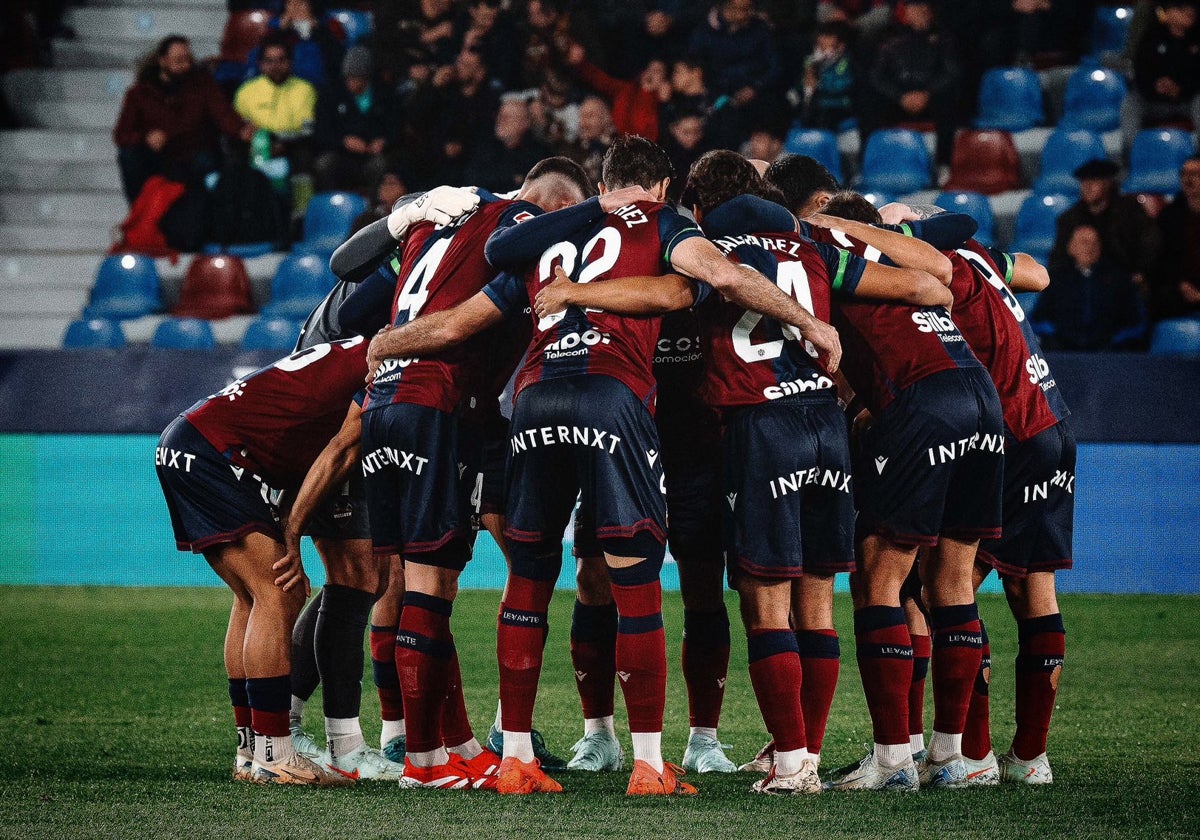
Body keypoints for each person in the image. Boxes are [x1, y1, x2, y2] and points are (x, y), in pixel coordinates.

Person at [364, 135, 841, 796]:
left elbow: (457, 322)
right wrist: (809, 322)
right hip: (612, 400)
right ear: (664, 188)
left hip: (535, 400)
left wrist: (390, 340)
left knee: (528, 577)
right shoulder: (664, 223)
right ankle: (649, 764)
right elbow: (714, 281)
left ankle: (515, 759)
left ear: (602, 182)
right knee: (634, 576)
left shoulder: (546, 245)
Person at [533, 150, 951, 795]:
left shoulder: (689, 247)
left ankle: (724, 748)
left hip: (723, 435)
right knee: (811, 600)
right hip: (801, 426)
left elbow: (682, 292)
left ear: (694, 208)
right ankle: (800, 754)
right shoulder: (804, 246)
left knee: (722, 596)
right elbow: (931, 286)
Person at [766, 156, 1005, 792]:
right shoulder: (899, 253)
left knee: (881, 573)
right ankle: (951, 756)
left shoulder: (811, 247)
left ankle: (892, 757)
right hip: (979, 394)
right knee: (952, 579)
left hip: (922, 402)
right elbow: (946, 274)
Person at [358, 160, 594, 792]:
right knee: (434, 587)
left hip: (385, 405)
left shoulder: (432, 225)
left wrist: (404, 214)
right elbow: (466, 321)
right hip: (437, 402)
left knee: (411, 583)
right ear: (547, 205)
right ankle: (424, 760)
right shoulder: (520, 224)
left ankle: (446, 745)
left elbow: (352, 287)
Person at [154, 337, 371, 788]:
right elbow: (339, 451)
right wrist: (292, 531)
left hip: (191, 440)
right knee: (279, 591)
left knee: (252, 596)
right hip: (215, 451)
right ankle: (276, 753)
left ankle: (252, 750)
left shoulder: (360, 347)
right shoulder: (389, 364)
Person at [112, 35, 252, 203]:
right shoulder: (140, 94)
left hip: (193, 152)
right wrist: (145, 137)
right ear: (163, 61)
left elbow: (223, 115)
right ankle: (140, 214)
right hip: (159, 156)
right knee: (129, 156)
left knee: (207, 162)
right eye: (178, 61)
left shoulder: (202, 85)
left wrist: (240, 129)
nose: (185, 65)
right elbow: (121, 134)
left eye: (188, 59)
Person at [863, 0, 960, 171]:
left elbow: (951, 71)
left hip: (930, 97)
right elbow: (877, 75)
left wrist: (927, 93)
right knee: (868, 102)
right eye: (915, 8)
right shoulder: (888, 39)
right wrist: (899, 96)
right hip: (899, 98)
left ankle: (943, 164)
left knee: (948, 101)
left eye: (924, 8)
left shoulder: (944, 38)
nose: (921, 12)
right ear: (905, 12)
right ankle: (868, 163)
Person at [1050, 159, 1162, 289]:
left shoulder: (1130, 211)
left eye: (1093, 181)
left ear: (1107, 183)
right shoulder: (1069, 219)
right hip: (1086, 285)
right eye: (1083, 182)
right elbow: (1059, 259)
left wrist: (1141, 272)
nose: (1087, 187)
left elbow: (1151, 243)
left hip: (1127, 282)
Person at [1037, 224, 1147, 350]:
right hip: (1063, 352)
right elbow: (1039, 319)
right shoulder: (1056, 278)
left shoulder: (1118, 279)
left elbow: (1136, 322)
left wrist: (1114, 341)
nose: (1090, 247)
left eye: (1095, 243)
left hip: (1110, 354)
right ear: (1071, 247)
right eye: (1084, 242)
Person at [312, 46, 404, 193]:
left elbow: (397, 127)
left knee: (381, 166)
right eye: (350, 78)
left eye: (358, 78)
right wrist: (343, 141)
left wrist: (384, 141)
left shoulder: (384, 94)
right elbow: (321, 131)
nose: (354, 83)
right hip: (341, 154)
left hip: (373, 155)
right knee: (324, 164)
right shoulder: (331, 95)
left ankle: (377, 209)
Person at [1124, 0, 1200, 152]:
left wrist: (1181, 89)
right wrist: (1155, 86)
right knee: (1130, 102)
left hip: (1186, 99)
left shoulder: (1196, 39)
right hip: (1153, 101)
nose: (1188, 12)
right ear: (1168, 12)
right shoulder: (1152, 36)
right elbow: (1141, 71)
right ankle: (1133, 154)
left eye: (1190, 9)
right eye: (1180, 8)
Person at [234, 34, 318, 171]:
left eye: (281, 60)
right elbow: (240, 126)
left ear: (290, 62)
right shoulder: (246, 91)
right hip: (255, 146)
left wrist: (278, 140)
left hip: (293, 147)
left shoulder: (305, 89)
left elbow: (307, 130)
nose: (276, 66)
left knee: (304, 153)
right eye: (269, 61)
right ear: (260, 64)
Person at [462, 98, 554, 194]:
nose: (500, 120)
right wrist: (512, 178)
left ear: (524, 123)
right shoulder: (483, 147)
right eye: (499, 115)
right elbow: (472, 181)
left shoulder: (539, 153)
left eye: (507, 117)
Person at [1150, 155, 1200, 320]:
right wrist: (1180, 284)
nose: (1188, 179)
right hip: (1180, 288)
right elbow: (1160, 259)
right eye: (1184, 174)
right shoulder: (1169, 215)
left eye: (1195, 174)